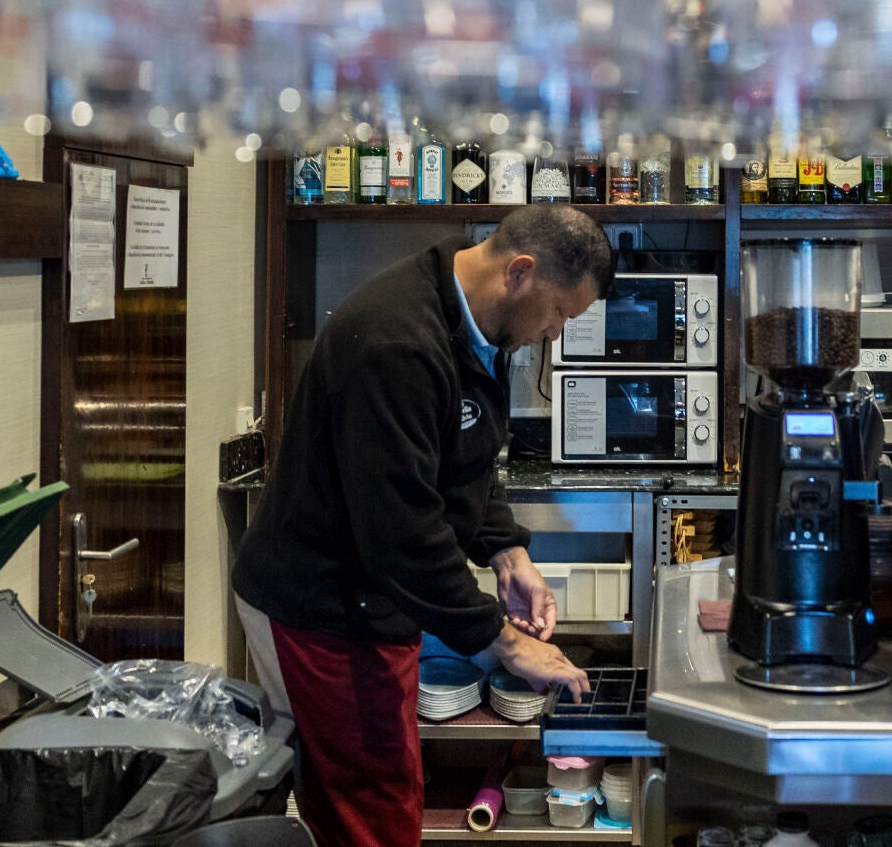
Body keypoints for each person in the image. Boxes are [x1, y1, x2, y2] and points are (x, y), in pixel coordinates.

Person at [233, 204, 610, 847]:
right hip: (319, 605)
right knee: (366, 807)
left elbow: (462, 457)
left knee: (390, 785)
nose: (554, 333)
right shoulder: (398, 343)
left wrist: (506, 552)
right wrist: (506, 642)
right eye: (558, 313)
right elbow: (401, 535)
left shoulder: (477, 324)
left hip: (374, 597)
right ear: (520, 272)